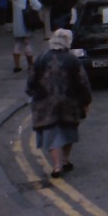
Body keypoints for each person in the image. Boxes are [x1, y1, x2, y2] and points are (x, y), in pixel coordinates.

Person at [26, 29, 92, 179]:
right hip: (69, 102)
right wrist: (86, 100)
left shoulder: (41, 58)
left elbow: (31, 78)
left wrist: (30, 92)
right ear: (68, 41)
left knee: (51, 133)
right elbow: (83, 82)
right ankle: (64, 160)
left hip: (44, 103)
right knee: (68, 130)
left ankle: (57, 165)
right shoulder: (72, 59)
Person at [10, 0, 43, 73]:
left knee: (17, 43)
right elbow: (38, 6)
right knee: (27, 43)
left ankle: (17, 65)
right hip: (26, 22)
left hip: (16, 23)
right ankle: (31, 64)